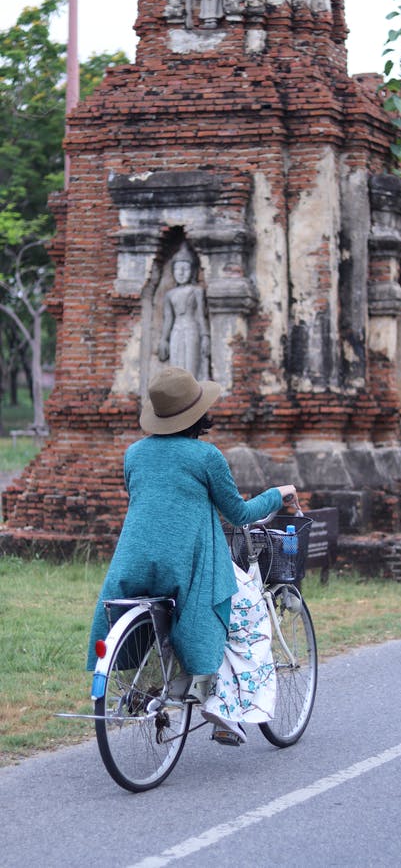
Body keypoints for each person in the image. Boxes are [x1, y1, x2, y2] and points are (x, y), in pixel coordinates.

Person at [87, 366, 301, 746]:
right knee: (247, 620)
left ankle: (166, 680)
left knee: (193, 612)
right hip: (190, 563)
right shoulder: (206, 456)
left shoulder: (134, 454)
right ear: (198, 413)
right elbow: (238, 514)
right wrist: (276, 493)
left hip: (134, 562)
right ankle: (222, 707)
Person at [158, 243, 210, 380]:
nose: (181, 273)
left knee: (191, 366)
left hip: (192, 329)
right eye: (177, 269)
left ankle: (193, 395)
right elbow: (168, 318)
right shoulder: (170, 294)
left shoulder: (197, 291)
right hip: (176, 330)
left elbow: (200, 315)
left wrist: (205, 336)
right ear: (173, 271)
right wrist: (164, 339)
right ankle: (179, 396)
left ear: (192, 271)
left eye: (185, 269)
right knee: (176, 367)